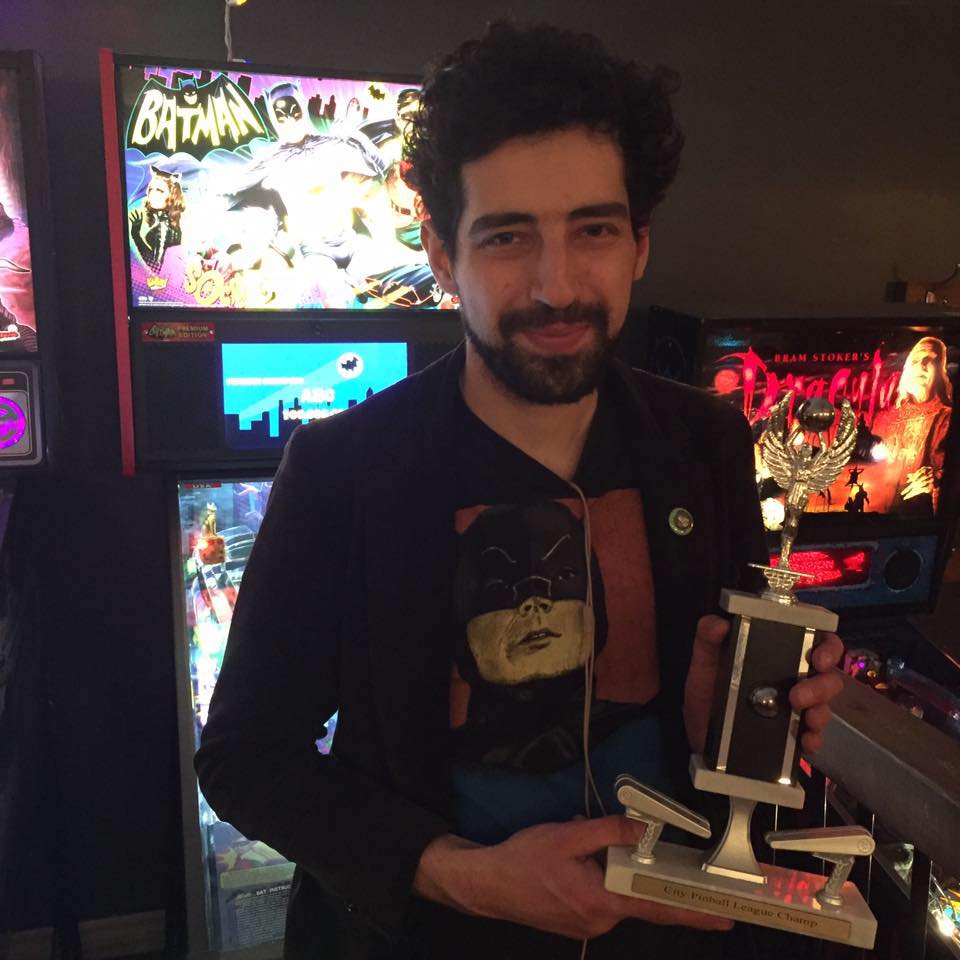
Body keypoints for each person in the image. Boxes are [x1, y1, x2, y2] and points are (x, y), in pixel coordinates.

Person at [195, 21, 843, 960]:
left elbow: (725, 720)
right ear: (441, 253)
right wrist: (459, 872)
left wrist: (745, 719)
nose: (556, 285)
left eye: (594, 231)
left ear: (640, 244)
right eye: (507, 237)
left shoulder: (704, 439)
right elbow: (246, 758)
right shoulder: (344, 469)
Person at [871, 335, 953, 514]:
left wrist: (937, 480)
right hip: (878, 515)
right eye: (916, 360)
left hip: (918, 518)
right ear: (907, 368)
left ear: (940, 370)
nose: (922, 365)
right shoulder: (886, 418)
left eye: (931, 359)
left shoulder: (947, 417)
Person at [128, 166, 185, 272]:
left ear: (172, 196)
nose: (153, 194)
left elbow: (156, 267)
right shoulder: (169, 223)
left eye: (160, 190)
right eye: (151, 189)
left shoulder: (164, 226)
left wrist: (136, 235)